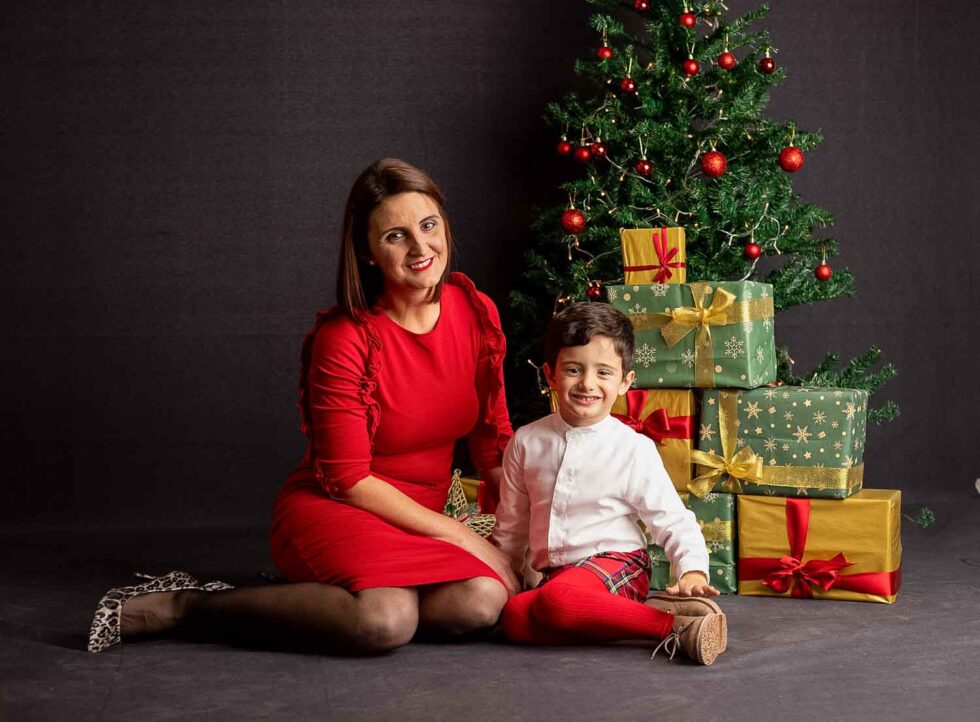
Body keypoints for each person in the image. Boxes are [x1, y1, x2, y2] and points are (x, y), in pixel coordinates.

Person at [88, 158, 519, 654]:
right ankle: (187, 606)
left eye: (429, 225)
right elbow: (350, 480)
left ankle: (338, 597)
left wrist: (523, 531)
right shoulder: (345, 338)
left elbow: (491, 440)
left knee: (480, 603)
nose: (421, 248)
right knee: (384, 621)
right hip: (339, 508)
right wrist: (461, 537)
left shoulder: (473, 307)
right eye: (396, 236)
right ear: (369, 252)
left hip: (418, 514)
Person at [491, 303, 729, 665]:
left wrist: (691, 569)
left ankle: (675, 627)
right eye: (573, 370)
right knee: (515, 618)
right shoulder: (526, 442)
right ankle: (614, 614)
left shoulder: (632, 448)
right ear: (550, 375)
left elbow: (672, 520)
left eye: (604, 373)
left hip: (619, 563)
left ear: (624, 383)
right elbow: (512, 526)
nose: (588, 383)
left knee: (557, 602)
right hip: (559, 576)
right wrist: (506, 576)